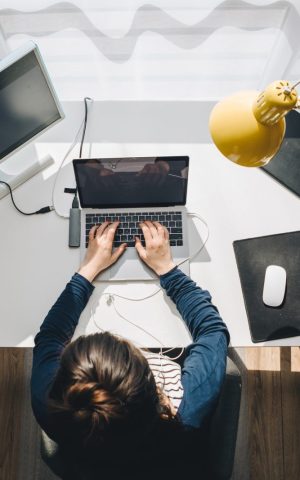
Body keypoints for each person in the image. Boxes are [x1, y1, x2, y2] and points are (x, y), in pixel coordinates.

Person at [31, 220, 229, 479]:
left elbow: (50, 337)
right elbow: (213, 331)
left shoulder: (48, 403)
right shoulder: (186, 412)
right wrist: (168, 270)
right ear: (153, 383)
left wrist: (89, 268)